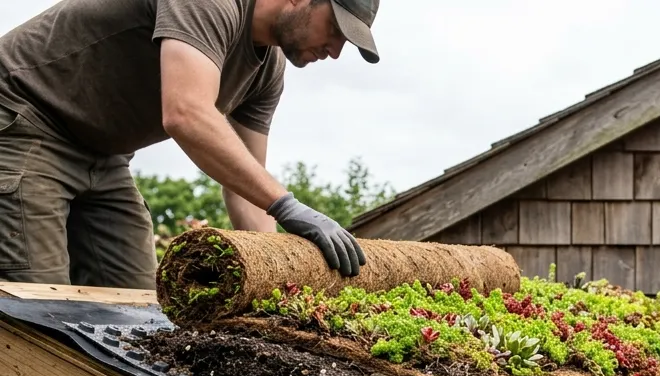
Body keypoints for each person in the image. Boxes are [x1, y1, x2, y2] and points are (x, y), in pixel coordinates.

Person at [0, 0, 377, 290]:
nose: (336, 50)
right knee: (40, 308)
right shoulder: (211, 4)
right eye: (337, 29)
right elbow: (186, 112)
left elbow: (246, 187)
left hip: (104, 156)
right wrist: (289, 206)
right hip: (24, 118)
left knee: (136, 305)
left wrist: (278, 276)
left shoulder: (266, 72)